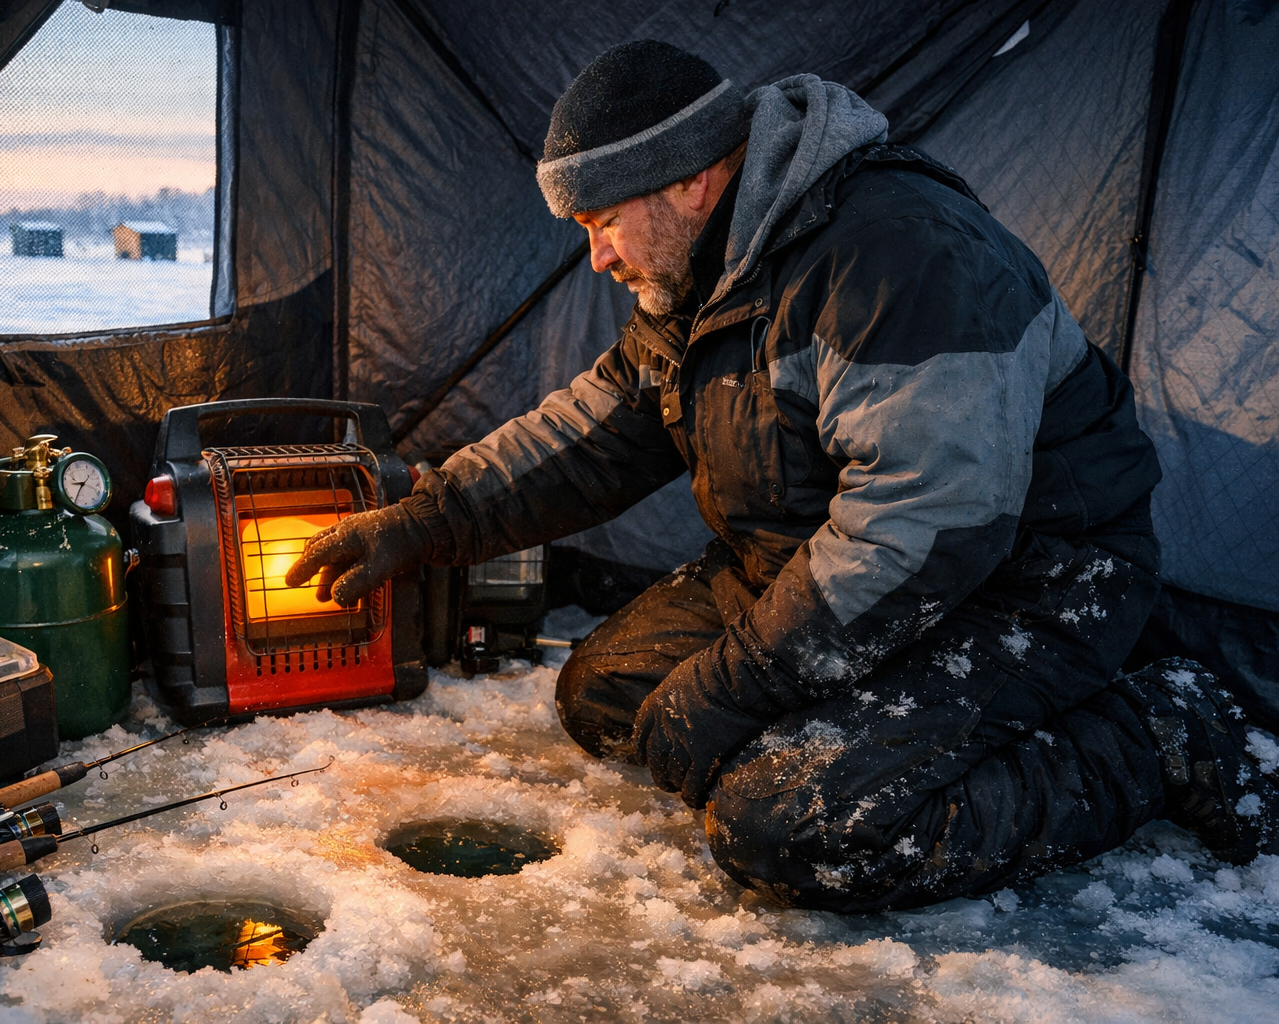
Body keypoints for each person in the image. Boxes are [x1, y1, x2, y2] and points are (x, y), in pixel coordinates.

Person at [287, 40, 1277, 911]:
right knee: (608, 690)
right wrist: (428, 518)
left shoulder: (899, 254)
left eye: (601, 221)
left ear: (688, 181)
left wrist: (739, 682)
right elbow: (601, 423)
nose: (594, 258)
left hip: (1023, 578)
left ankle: (1157, 726)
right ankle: (847, 714)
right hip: (821, 560)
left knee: (787, 825)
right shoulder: (705, 274)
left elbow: (925, 526)